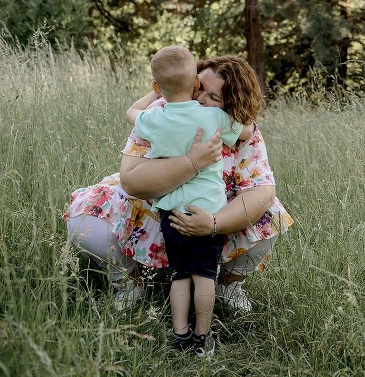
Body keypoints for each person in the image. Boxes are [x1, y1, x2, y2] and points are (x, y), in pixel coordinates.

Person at [64, 55, 293, 319]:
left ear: (232, 105)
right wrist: (192, 163)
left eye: (214, 98)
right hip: (151, 208)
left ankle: (228, 285)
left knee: (270, 214)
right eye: (199, 88)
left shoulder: (234, 126)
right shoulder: (162, 111)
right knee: (85, 219)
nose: (200, 100)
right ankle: (131, 282)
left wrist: (214, 223)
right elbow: (131, 181)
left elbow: (261, 190)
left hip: (209, 212)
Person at [125, 46, 253, 356]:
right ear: (196, 83)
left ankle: (180, 332)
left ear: (158, 87)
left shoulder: (154, 118)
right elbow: (245, 132)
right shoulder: (213, 116)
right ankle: (201, 336)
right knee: (204, 276)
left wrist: (157, 92)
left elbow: (130, 112)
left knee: (180, 274)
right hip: (207, 211)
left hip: (172, 212)